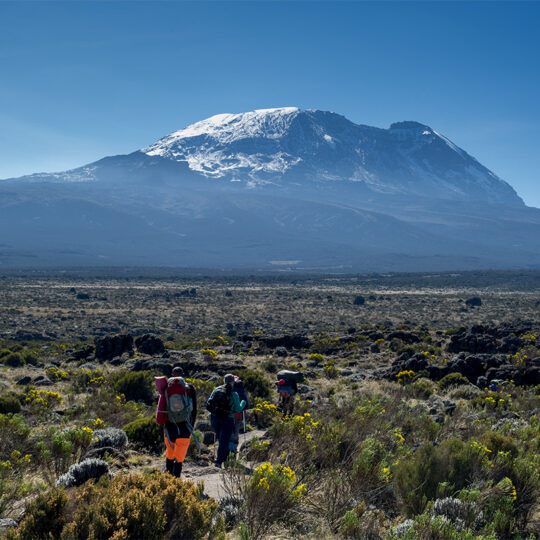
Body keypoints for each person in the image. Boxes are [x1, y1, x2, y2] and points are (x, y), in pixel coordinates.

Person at [155, 366, 197, 478]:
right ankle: (177, 478)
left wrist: (163, 424)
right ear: (182, 375)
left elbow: (162, 408)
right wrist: (191, 426)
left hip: (170, 425)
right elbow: (195, 410)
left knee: (170, 451)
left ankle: (168, 476)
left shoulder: (166, 388)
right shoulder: (189, 388)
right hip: (185, 426)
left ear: (172, 375)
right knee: (180, 453)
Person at [207, 373, 246, 467]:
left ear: (224, 381)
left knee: (220, 439)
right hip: (227, 419)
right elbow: (238, 409)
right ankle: (220, 461)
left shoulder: (216, 390)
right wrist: (243, 402)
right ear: (233, 382)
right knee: (224, 441)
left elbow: (209, 402)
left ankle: (220, 459)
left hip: (215, 418)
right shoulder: (234, 394)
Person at [229, 375, 249, 455]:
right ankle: (234, 449)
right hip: (240, 415)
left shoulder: (229, 390)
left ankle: (229, 449)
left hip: (230, 414)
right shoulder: (242, 391)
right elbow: (247, 405)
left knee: (229, 432)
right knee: (236, 431)